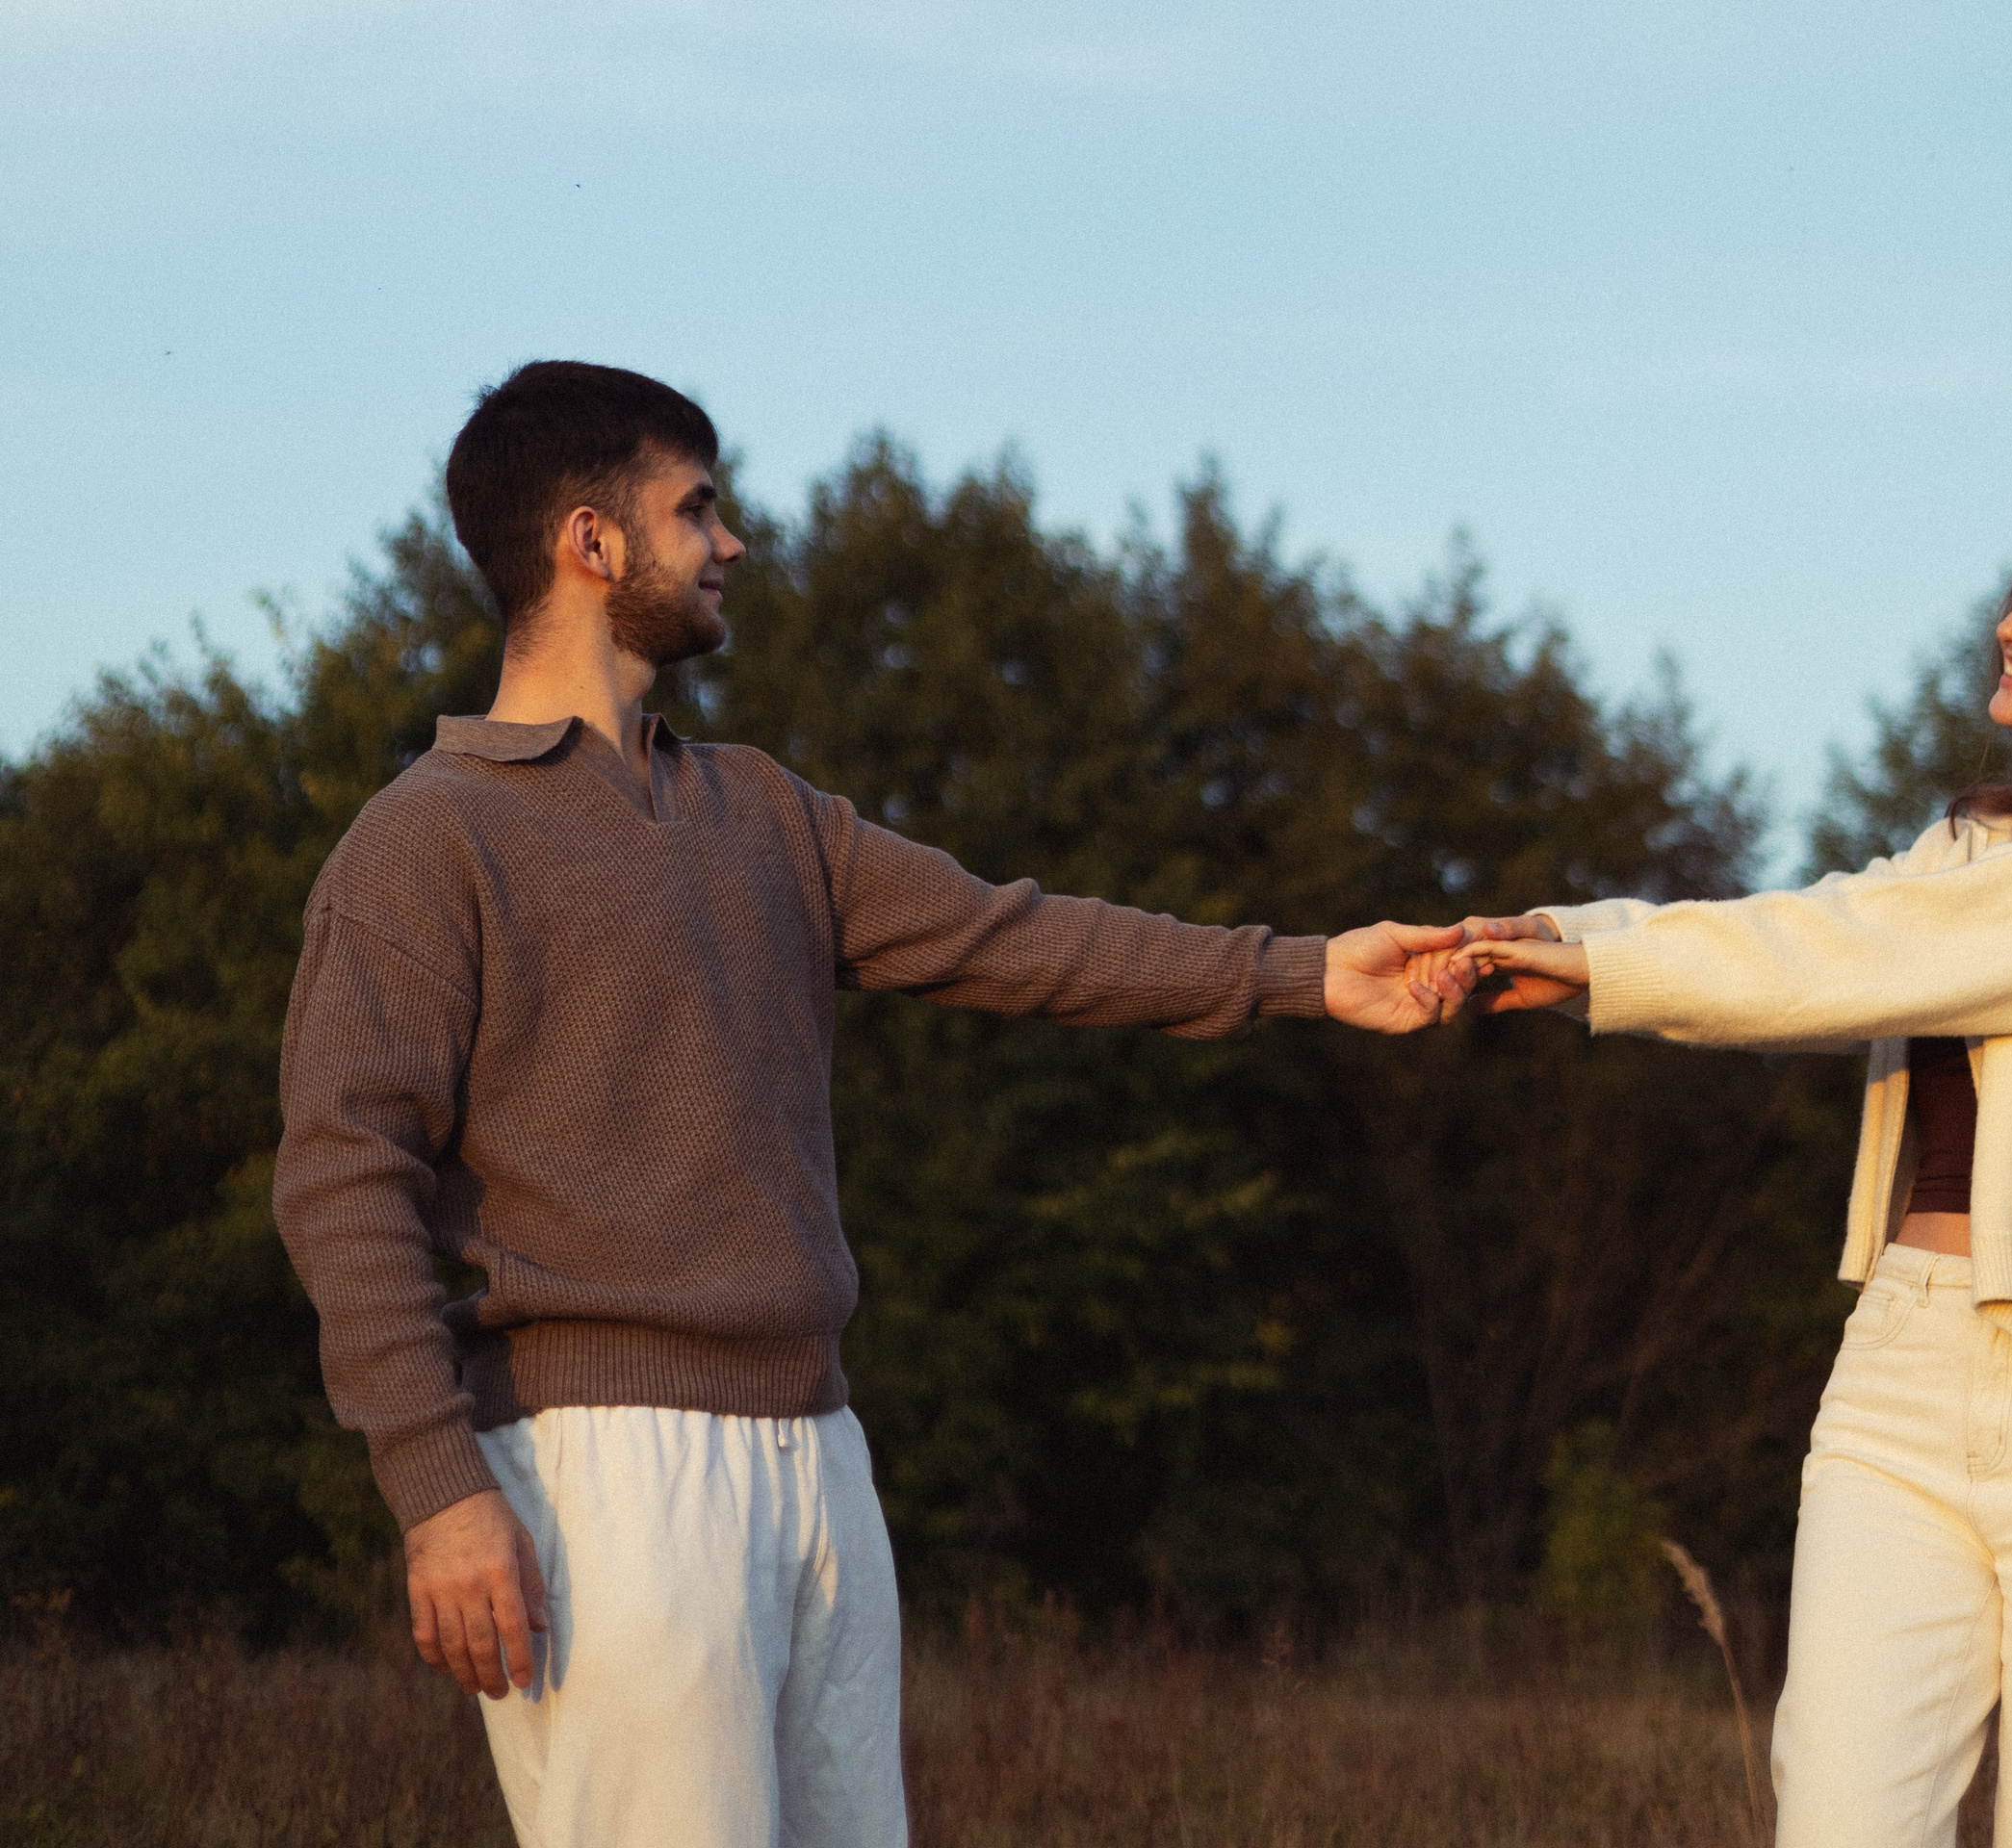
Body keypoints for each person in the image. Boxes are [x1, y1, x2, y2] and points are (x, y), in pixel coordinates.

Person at [271, 360, 1466, 1848]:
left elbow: (1016, 936)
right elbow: (342, 1176)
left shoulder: (764, 812)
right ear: (591, 543)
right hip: (606, 1474)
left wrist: (1307, 974)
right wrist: (437, 1487)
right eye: (697, 508)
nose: (734, 543)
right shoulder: (427, 841)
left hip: (820, 1452)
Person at [1434, 502, 2012, 1848]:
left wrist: (1600, 960)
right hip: (1896, 1383)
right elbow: (1832, 930)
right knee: (1843, 1823)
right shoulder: (1963, 855)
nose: (2008, 623)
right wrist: (1564, 942)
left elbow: (1872, 953)